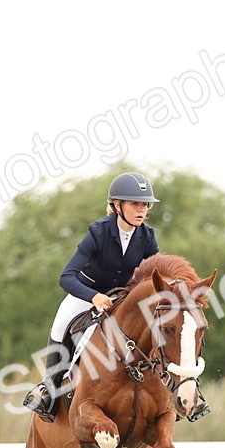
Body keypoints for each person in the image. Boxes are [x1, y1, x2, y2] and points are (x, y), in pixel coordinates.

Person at [22, 172, 163, 422]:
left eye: (144, 205)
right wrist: (94, 296)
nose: (141, 210)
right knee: (60, 325)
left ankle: (171, 386)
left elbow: (153, 278)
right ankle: (50, 389)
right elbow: (66, 276)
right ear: (117, 206)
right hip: (86, 293)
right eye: (135, 204)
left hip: (122, 298)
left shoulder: (148, 237)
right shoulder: (98, 232)